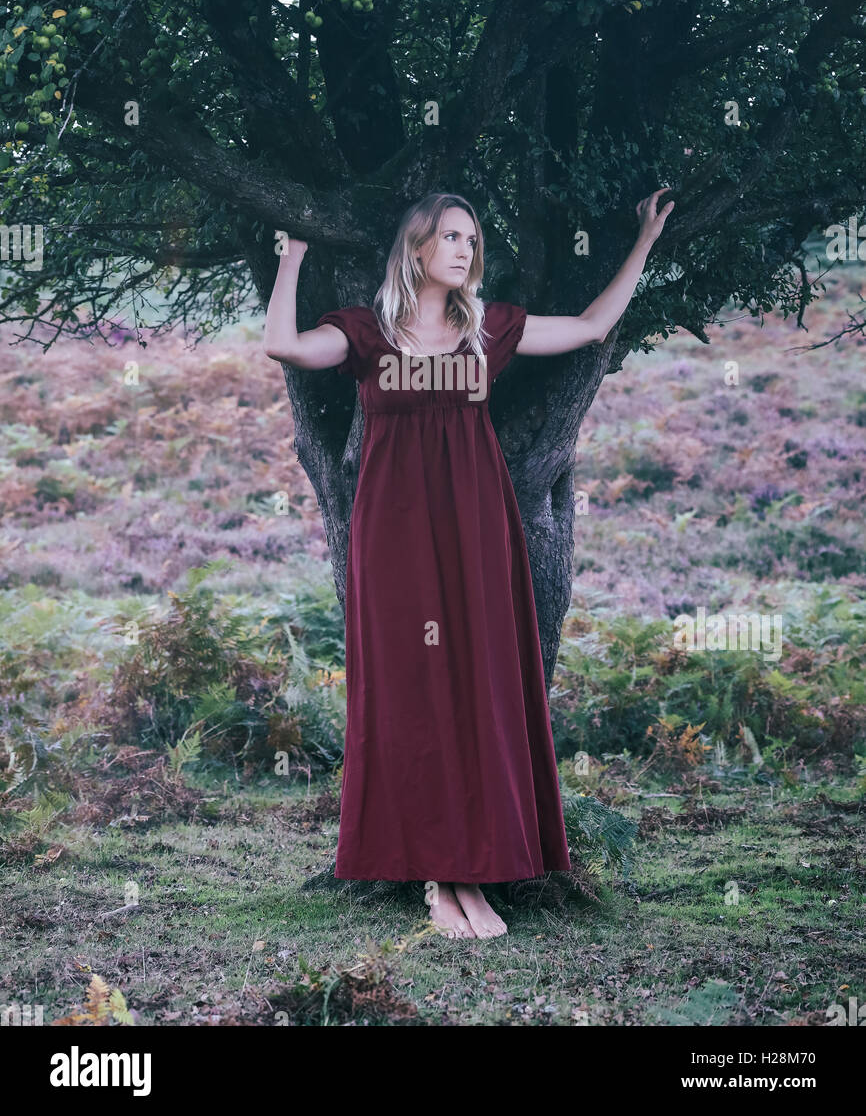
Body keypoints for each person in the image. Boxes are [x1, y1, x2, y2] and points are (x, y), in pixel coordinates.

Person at [264, 189, 674, 939]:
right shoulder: (366, 333)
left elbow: (589, 327)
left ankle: (470, 876)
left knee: (478, 690)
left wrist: (645, 240)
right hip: (394, 541)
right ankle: (437, 877)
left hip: (478, 534)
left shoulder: (489, 330)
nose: (463, 249)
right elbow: (285, 348)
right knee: (413, 695)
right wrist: (291, 258)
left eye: (470, 239)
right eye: (449, 237)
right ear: (417, 249)